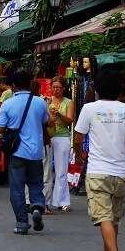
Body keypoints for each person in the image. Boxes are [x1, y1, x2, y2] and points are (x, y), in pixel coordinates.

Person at [75, 70, 125, 251]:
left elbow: (78, 138)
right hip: (121, 173)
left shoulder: (89, 109)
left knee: (104, 217)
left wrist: (79, 157)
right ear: (120, 89)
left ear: (96, 89)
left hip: (97, 172)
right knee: (112, 219)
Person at [0, 70, 49, 235]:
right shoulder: (40, 102)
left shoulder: (8, 104)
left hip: (17, 152)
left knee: (17, 188)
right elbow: (46, 122)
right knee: (36, 184)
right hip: (36, 152)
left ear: (13, 86)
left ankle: (22, 223)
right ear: (30, 83)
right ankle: (38, 207)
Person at [47, 76, 75, 212]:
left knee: (61, 170)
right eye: (54, 87)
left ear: (63, 89)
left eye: (59, 87)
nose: (56, 90)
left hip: (62, 137)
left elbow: (70, 120)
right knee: (46, 170)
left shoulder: (69, 102)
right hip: (48, 137)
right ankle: (46, 199)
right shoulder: (46, 101)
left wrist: (58, 114)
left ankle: (61, 200)